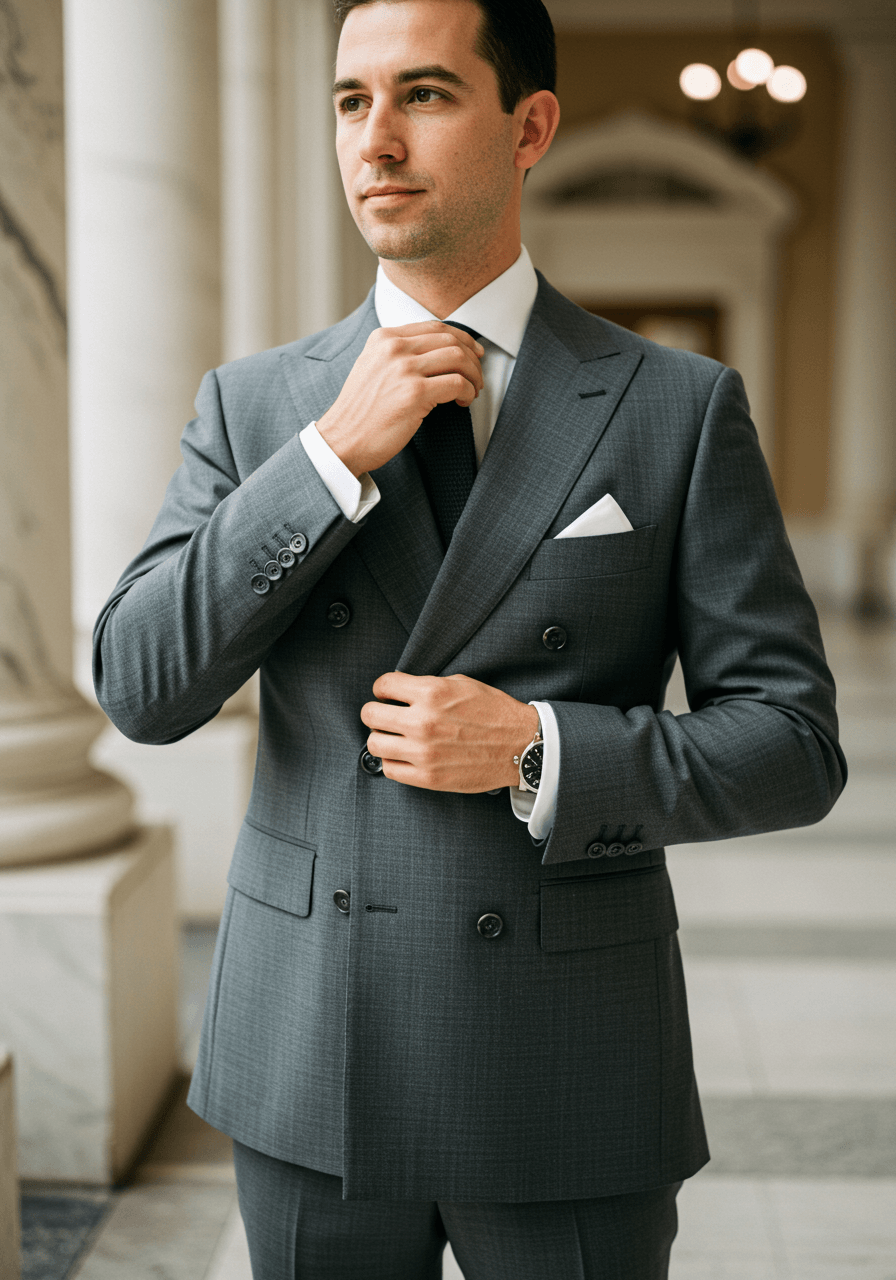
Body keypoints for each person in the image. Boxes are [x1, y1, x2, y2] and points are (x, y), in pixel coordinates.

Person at [93, 0, 846, 1275]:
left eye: (425, 94)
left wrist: (538, 749)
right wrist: (328, 458)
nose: (374, 139)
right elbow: (140, 685)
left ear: (529, 126)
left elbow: (791, 743)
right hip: (312, 1044)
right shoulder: (257, 405)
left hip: (563, 1056)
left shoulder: (673, 406)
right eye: (351, 100)